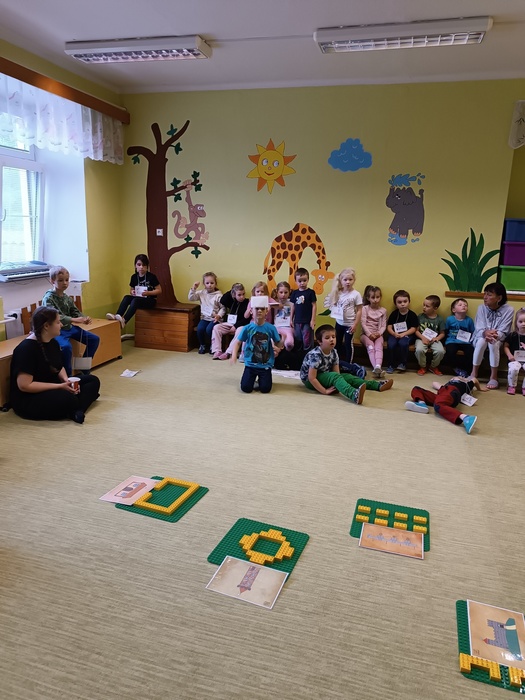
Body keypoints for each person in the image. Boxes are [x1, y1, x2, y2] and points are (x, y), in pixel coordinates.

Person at [10, 306, 100, 424]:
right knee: (68, 398)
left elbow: (59, 366)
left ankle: (77, 411)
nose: (61, 325)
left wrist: (67, 381)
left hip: (52, 386)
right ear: (46, 326)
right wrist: (60, 387)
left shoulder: (53, 342)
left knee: (92, 380)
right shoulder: (26, 349)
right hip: (29, 397)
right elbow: (25, 386)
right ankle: (78, 406)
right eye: (58, 322)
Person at [300, 325, 393, 405]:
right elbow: (312, 378)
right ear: (320, 342)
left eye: (333, 337)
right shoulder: (315, 355)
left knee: (348, 377)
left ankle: (376, 385)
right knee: (334, 377)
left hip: (324, 375)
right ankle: (353, 394)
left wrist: (338, 384)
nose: (331, 339)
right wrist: (324, 391)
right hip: (310, 381)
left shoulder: (334, 352)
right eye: (327, 338)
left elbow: (337, 373)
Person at [42, 266, 100, 376]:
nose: (64, 283)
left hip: (69, 328)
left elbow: (74, 311)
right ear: (52, 281)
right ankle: (68, 376)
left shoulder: (66, 297)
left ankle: (83, 369)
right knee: (66, 347)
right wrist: (74, 319)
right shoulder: (48, 298)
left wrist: (83, 318)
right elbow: (54, 316)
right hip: (57, 331)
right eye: (60, 280)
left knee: (94, 339)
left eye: (66, 280)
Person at [230, 296, 283, 393]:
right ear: (251, 311)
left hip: (265, 364)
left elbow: (278, 342)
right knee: (245, 388)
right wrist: (234, 355)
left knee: (265, 389)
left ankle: (261, 381)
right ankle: (252, 380)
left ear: (266, 311)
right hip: (250, 364)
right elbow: (238, 342)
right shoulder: (247, 328)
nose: (259, 311)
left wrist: (278, 347)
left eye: (262, 309)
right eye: (257, 308)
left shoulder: (271, 328)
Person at [405, 376, 486, 435]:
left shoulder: (466, 384)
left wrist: (479, 388)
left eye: (460, 377)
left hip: (452, 393)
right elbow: (434, 383)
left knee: (438, 405)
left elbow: (475, 379)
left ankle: (466, 418)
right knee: (416, 389)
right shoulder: (447, 385)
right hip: (442, 394)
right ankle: (421, 403)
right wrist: (447, 383)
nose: (455, 378)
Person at [471, 282, 514, 389]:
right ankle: (473, 373)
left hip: (498, 338)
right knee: (481, 341)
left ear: (499, 298)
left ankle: (494, 377)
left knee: (493, 343)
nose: (485, 297)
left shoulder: (509, 310)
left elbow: (504, 330)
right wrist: (485, 333)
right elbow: (479, 327)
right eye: (485, 294)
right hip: (481, 336)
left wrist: (493, 335)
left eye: (489, 295)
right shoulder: (481, 308)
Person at [216, 281, 274, 361]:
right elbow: (246, 316)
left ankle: (230, 352)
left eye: (262, 291)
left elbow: (279, 306)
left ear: (266, 292)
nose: (260, 293)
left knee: (242, 330)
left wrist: (270, 305)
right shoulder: (252, 301)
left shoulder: (269, 300)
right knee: (244, 332)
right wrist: (249, 310)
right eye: (258, 291)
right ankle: (241, 353)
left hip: (265, 324)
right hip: (253, 323)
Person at [106, 254, 161, 329]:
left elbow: (159, 290)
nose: (141, 267)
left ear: (147, 266)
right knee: (126, 297)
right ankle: (117, 315)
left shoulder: (151, 277)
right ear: (135, 266)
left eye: (144, 265)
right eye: (139, 265)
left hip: (150, 300)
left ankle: (124, 320)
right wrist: (132, 292)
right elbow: (131, 289)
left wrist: (148, 293)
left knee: (135, 300)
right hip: (139, 298)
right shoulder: (134, 277)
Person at [323, 267, 362, 363]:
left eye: (350, 279)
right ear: (341, 280)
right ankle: (336, 362)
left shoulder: (356, 294)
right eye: (345, 280)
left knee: (348, 344)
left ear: (354, 280)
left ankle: (349, 364)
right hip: (339, 323)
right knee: (337, 343)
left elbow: (359, 310)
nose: (348, 282)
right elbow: (334, 306)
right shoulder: (338, 292)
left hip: (350, 325)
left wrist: (355, 324)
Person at [211, 283, 249, 359]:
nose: (242, 297)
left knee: (240, 331)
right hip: (230, 323)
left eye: (243, 294)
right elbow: (222, 300)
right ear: (234, 295)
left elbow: (246, 319)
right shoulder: (232, 301)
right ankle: (217, 351)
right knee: (216, 327)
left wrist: (235, 326)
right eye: (239, 295)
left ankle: (229, 352)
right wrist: (232, 290)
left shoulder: (247, 302)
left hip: (240, 325)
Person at [188, 271, 223, 354]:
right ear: (204, 284)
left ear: (215, 284)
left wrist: (219, 315)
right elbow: (191, 298)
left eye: (212, 283)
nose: (209, 285)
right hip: (204, 318)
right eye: (207, 283)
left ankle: (213, 345)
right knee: (200, 329)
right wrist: (193, 288)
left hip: (215, 319)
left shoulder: (219, 295)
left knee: (209, 329)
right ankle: (202, 345)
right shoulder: (201, 293)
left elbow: (223, 308)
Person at [385, 290, 418, 374]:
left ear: (409, 302)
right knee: (391, 344)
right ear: (395, 304)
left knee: (403, 343)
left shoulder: (412, 315)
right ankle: (390, 365)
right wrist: (393, 333)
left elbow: (413, 328)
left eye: (405, 301)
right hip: (395, 334)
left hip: (407, 335)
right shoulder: (394, 314)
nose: (402, 304)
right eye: (399, 302)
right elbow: (389, 327)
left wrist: (404, 334)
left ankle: (402, 364)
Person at [414, 295, 446, 376]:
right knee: (419, 350)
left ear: (435, 308)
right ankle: (423, 366)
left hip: (434, 339)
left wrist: (437, 338)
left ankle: (433, 366)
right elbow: (416, 331)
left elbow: (442, 333)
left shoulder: (440, 319)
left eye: (427, 306)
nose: (424, 307)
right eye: (423, 305)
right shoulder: (420, 317)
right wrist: (422, 338)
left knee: (440, 351)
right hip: (421, 338)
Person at [443, 298, 475, 378]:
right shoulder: (449, 319)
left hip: (465, 342)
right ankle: (456, 368)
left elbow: (472, 332)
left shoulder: (469, 320)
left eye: (465, 305)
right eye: (460, 305)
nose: (463, 306)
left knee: (470, 351)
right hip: (452, 341)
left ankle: (468, 371)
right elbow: (446, 330)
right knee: (450, 351)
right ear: (454, 310)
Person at [360, 285, 387, 378]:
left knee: (378, 347)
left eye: (377, 297)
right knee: (371, 347)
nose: (375, 300)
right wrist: (369, 334)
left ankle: (378, 366)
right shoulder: (365, 309)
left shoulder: (383, 311)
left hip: (378, 335)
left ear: (380, 297)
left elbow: (383, 325)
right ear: (368, 298)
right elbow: (363, 323)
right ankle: (376, 367)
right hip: (366, 335)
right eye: (373, 297)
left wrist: (379, 333)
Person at [290, 268, 317, 351]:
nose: (302, 283)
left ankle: (308, 355)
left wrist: (313, 320)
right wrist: (291, 319)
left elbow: (314, 306)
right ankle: (299, 356)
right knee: (298, 339)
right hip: (297, 321)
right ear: (296, 281)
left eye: (304, 280)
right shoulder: (295, 293)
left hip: (307, 322)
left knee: (307, 340)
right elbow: (293, 306)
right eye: (299, 281)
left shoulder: (311, 292)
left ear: (308, 280)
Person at [503, 307, 525, 395]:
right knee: (514, 368)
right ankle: (512, 386)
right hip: (514, 359)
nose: (523, 324)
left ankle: (524, 387)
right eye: (520, 321)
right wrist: (509, 355)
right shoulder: (512, 335)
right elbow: (506, 346)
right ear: (516, 323)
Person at [272, 281, 295, 352]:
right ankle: (277, 351)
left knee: (289, 343)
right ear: (277, 292)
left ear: (289, 292)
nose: (283, 295)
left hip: (288, 327)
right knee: (271, 341)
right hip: (277, 327)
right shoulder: (274, 302)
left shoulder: (292, 303)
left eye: (286, 292)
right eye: (281, 292)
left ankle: (284, 353)